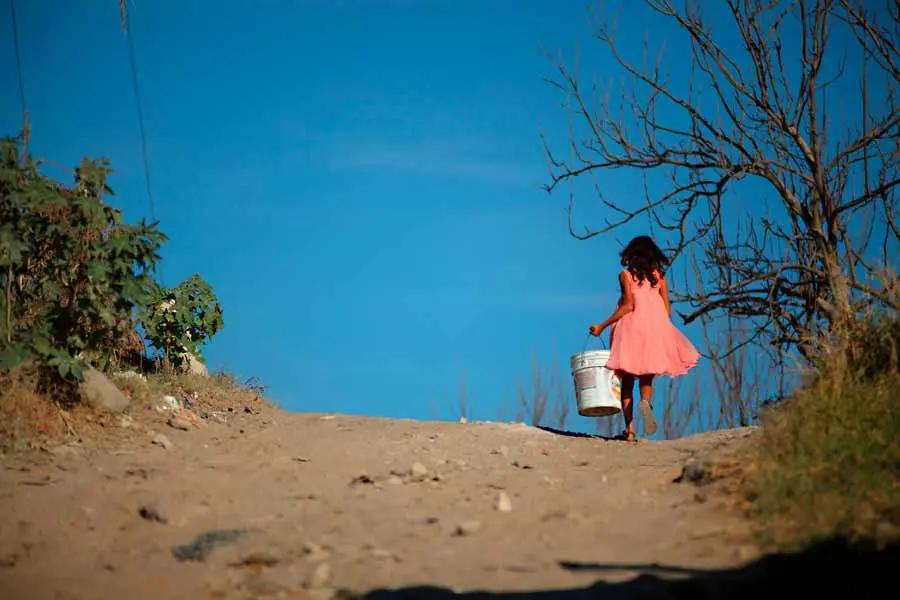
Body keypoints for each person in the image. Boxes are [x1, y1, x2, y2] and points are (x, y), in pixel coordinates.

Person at [589, 235, 699, 442]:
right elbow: (667, 310)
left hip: (631, 328)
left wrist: (602, 326)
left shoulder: (625, 275)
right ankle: (646, 403)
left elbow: (628, 306)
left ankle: (630, 431)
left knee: (627, 378)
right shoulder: (659, 277)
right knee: (647, 373)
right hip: (655, 328)